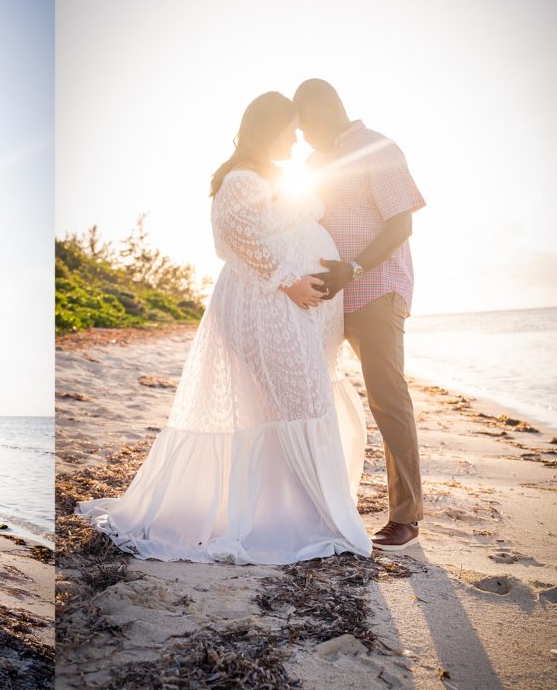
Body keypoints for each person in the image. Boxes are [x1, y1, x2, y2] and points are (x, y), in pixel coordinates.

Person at [77, 92, 372, 564]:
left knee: (287, 405)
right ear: (268, 127)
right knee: (299, 402)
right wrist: (289, 280)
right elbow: (234, 238)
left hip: (290, 308)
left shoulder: (273, 177)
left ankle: (288, 512)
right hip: (263, 304)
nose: (296, 139)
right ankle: (302, 519)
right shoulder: (240, 178)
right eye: (290, 129)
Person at [294, 78, 426, 552]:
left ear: (329, 110)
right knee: (310, 395)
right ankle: (318, 503)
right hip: (326, 298)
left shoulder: (378, 148)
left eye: (305, 125)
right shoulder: (312, 163)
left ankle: (406, 517)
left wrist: (354, 267)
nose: (303, 138)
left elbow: (402, 221)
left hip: (375, 290)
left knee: (387, 398)